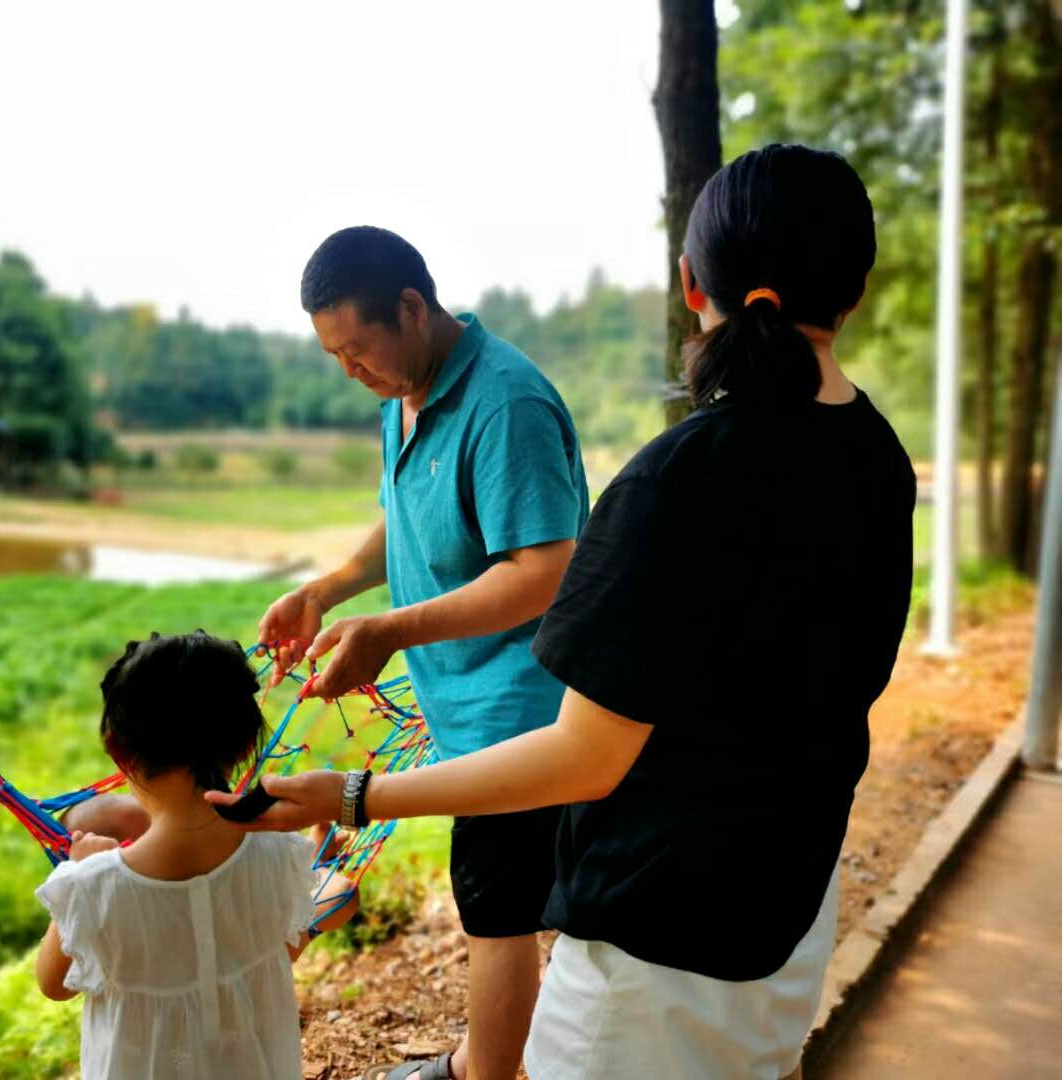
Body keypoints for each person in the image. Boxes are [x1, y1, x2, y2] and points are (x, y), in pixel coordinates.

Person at [211, 145, 916, 1080]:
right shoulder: (879, 461)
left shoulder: (674, 481)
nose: (351, 371)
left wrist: (352, 795)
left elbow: (587, 756)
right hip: (789, 906)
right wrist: (340, 590)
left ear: (688, 282)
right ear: (856, 290)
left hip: (660, 943)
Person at [259, 225, 590, 1080]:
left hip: (520, 710)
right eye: (334, 356)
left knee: (496, 909)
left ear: (412, 308)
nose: (350, 371)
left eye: (358, 349)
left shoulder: (505, 403)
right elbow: (402, 514)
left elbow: (545, 573)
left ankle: (486, 1073)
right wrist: (329, 591)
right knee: (508, 901)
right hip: (461, 701)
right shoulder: (403, 396)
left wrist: (390, 632)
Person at [34, 631, 357, 1080]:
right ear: (247, 745)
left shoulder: (92, 887)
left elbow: (52, 985)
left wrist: (78, 872)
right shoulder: (278, 857)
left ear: (119, 752)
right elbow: (290, 943)